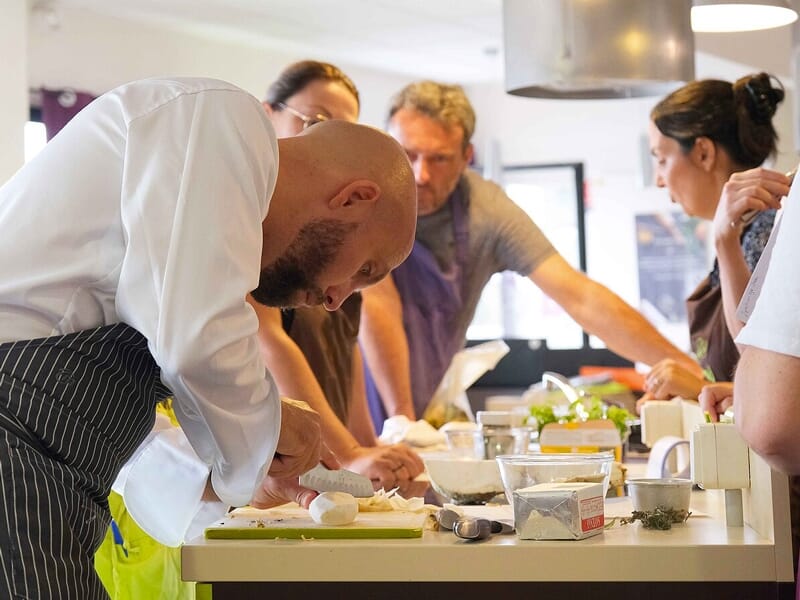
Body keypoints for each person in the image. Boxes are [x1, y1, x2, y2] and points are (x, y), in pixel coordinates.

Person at [0, 76, 416, 599]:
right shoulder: (220, 118)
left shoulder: (159, 267)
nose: (337, 299)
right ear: (354, 198)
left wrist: (228, 481)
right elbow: (200, 340)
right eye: (363, 270)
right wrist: (271, 433)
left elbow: (118, 429)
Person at [360, 80, 700, 427]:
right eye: (408, 154)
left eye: (439, 158)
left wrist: (691, 373)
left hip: (417, 407)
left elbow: (580, 297)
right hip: (347, 405)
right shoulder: (363, 201)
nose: (420, 174)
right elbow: (375, 303)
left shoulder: (487, 212)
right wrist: (400, 418)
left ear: (466, 157)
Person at [251, 61, 423, 485]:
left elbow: (345, 348)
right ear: (267, 112)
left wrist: (363, 445)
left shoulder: (332, 240)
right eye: (314, 121)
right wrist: (346, 452)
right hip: (272, 471)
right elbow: (269, 341)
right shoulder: (257, 235)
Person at [639, 72, 790, 406]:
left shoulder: (764, 235)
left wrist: (695, 386)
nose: (659, 180)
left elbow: (767, 380)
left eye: (662, 160)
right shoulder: (746, 231)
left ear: (704, 153)